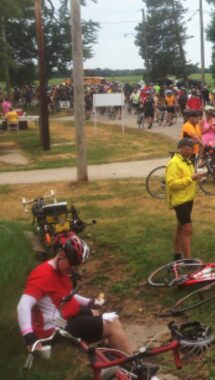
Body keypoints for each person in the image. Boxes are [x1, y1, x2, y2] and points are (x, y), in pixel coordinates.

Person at [16, 232, 157, 377]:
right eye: (72, 264)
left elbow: (68, 294)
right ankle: (136, 368)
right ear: (61, 254)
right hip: (54, 331)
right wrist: (30, 337)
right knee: (112, 324)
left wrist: (90, 302)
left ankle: (112, 358)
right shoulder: (42, 275)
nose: (74, 269)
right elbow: (23, 305)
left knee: (94, 314)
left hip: (64, 320)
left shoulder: (61, 271)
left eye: (77, 265)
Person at [167, 138, 204, 261]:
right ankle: (188, 261)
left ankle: (177, 256)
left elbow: (189, 177)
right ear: (182, 148)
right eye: (190, 149)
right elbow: (172, 184)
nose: (192, 152)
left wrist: (197, 176)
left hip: (188, 199)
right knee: (188, 229)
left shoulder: (187, 161)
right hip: (180, 200)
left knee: (180, 227)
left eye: (193, 149)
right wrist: (191, 179)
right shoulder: (174, 163)